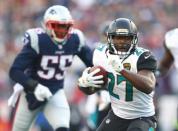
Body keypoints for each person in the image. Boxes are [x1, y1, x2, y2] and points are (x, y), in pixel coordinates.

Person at [8, 5, 93, 131]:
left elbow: (92, 63)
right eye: (58, 26)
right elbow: (14, 71)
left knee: (62, 128)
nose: (62, 31)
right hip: (30, 96)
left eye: (65, 26)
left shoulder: (74, 40)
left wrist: (92, 77)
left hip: (55, 92)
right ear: (47, 26)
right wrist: (34, 86)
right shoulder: (38, 40)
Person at [78, 18, 158, 131]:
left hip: (142, 116)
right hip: (117, 115)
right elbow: (91, 90)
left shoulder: (143, 57)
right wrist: (83, 83)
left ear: (134, 39)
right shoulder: (100, 54)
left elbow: (148, 86)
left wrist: (122, 70)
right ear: (109, 38)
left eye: (127, 38)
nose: (122, 42)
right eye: (118, 37)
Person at [156, 28, 178, 131]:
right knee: (167, 124)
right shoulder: (172, 38)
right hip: (167, 95)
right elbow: (162, 69)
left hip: (174, 95)